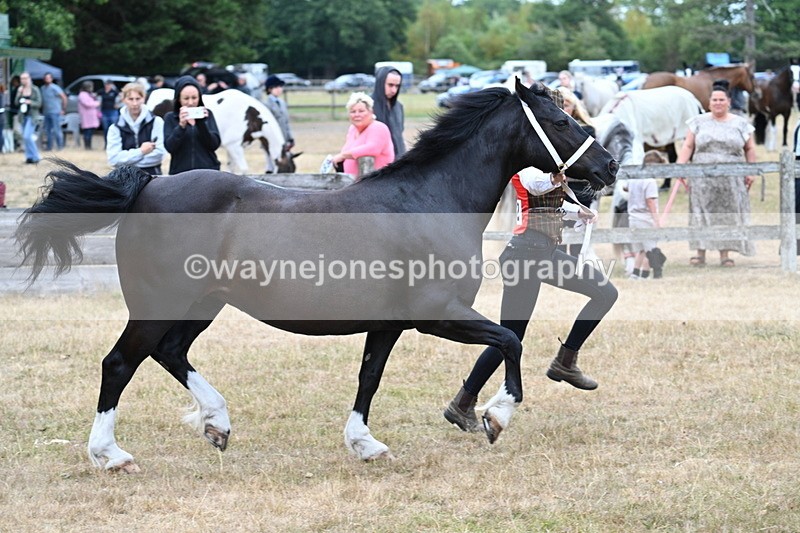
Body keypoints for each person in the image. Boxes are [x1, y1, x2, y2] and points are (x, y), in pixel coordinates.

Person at [443, 166, 618, 432]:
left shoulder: (548, 165)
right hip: (524, 257)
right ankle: (462, 404)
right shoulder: (528, 167)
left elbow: (546, 204)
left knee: (606, 292)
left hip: (544, 255)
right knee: (509, 337)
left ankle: (565, 362)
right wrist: (555, 177)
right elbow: (535, 184)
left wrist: (576, 210)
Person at [676, 80, 756, 268]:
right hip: (702, 177)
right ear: (709, 102)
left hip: (731, 178)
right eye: (714, 100)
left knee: (726, 215)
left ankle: (725, 254)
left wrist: (751, 171)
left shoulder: (741, 123)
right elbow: (688, 146)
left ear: (729, 101)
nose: (718, 103)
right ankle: (700, 253)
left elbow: (750, 148)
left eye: (721, 99)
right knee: (701, 213)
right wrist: (679, 168)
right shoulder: (698, 122)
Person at [164, 75, 222, 174]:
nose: (190, 102)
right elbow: (170, 147)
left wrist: (201, 123)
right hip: (181, 174)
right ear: (179, 99)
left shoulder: (208, 115)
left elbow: (214, 145)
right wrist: (181, 126)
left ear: (199, 97)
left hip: (208, 173)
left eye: (194, 98)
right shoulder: (170, 118)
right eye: (186, 98)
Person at [106, 82, 165, 176]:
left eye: (138, 99)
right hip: (124, 178)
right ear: (124, 100)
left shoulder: (156, 122)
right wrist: (141, 151)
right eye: (130, 99)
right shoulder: (115, 128)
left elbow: (159, 154)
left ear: (144, 98)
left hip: (152, 176)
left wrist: (126, 161)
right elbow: (114, 159)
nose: (135, 103)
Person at [331, 92, 394, 178]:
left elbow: (372, 148)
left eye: (361, 111)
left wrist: (343, 155)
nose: (357, 115)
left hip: (377, 182)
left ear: (371, 112)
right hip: (352, 182)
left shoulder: (379, 127)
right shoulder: (352, 129)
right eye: (353, 111)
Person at [627, 150, 668, 279]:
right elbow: (650, 201)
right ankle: (654, 274)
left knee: (641, 249)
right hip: (645, 218)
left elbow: (625, 188)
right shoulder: (650, 181)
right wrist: (657, 221)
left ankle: (636, 274)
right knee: (651, 249)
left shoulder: (635, 178)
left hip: (633, 217)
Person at [371, 66, 405, 159]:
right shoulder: (368, 106)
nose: (394, 90)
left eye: (397, 86)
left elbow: (399, 135)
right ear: (381, 83)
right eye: (390, 85)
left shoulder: (399, 107)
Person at [15, 72, 41, 164]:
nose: (23, 80)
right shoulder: (20, 89)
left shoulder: (35, 89)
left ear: (29, 78)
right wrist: (19, 93)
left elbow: (39, 103)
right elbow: (16, 103)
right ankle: (29, 157)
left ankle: (36, 156)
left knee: (27, 136)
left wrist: (29, 102)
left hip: (32, 116)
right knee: (25, 137)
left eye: (25, 78)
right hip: (23, 117)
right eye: (22, 78)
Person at [264, 75, 294, 151]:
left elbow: (286, 122)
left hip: (283, 138)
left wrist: (290, 137)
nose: (279, 89)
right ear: (270, 89)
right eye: (276, 87)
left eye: (280, 87)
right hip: (272, 140)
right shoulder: (266, 104)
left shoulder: (282, 103)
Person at [40, 72, 66, 151]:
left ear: (51, 79)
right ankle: (49, 147)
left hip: (55, 112)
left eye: (49, 78)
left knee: (56, 130)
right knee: (48, 131)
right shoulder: (42, 88)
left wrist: (63, 109)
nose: (47, 79)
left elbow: (64, 97)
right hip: (46, 112)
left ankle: (60, 146)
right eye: (46, 78)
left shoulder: (55, 87)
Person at [78, 81, 100, 149]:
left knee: (90, 132)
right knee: (87, 132)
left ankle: (89, 146)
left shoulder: (89, 94)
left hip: (91, 116)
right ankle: (87, 146)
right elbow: (87, 104)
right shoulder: (82, 94)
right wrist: (96, 103)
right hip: (86, 116)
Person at [99, 79, 121, 147]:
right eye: (106, 84)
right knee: (105, 128)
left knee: (114, 128)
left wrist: (118, 104)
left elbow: (122, 97)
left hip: (113, 111)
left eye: (109, 84)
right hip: (104, 111)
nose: (107, 86)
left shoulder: (114, 92)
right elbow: (95, 96)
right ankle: (106, 144)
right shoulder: (101, 91)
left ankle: (113, 143)